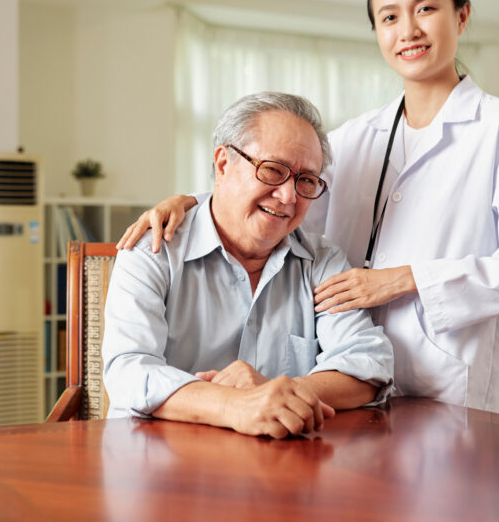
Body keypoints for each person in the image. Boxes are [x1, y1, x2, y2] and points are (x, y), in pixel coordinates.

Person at [117, 0, 499, 413]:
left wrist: (405, 280)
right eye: (389, 17)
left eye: (425, 9)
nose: (408, 30)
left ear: (461, 15)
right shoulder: (352, 138)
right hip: (341, 393)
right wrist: (187, 201)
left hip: (445, 384)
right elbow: (275, 201)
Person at [103, 92, 394, 439]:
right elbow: (129, 371)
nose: (289, 197)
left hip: (282, 472)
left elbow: (369, 366)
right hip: (162, 467)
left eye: (305, 180)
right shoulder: (153, 248)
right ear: (223, 163)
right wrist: (232, 405)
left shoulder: (322, 262)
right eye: (272, 170)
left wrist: (278, 393)